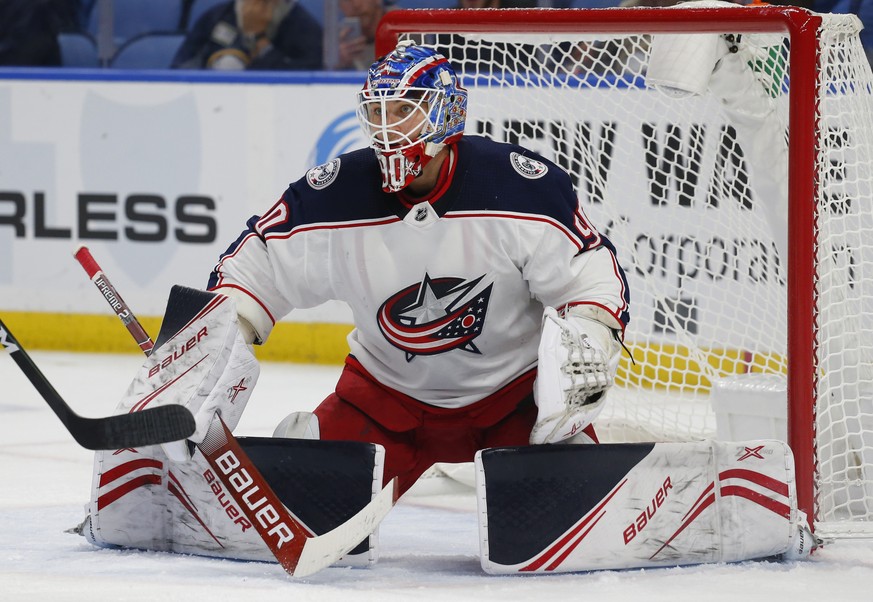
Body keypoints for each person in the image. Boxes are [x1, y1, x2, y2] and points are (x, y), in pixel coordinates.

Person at [207, 42, 630, 496]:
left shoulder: (518, 188)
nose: (387, 128)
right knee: (298, 494)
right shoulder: (334, 194)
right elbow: (257, 265)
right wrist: (211, 340)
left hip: (513, 404)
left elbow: (589, 272)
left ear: (447, 114)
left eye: (405, 110)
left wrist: (592, 330)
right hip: (382, 403)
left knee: (568, 504)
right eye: (378, 111)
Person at [171, 0, 323, 70]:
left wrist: (259, 39)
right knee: (229, 64)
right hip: (212, 109)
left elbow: (304, 83)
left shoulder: (305, 28)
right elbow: (180, 69)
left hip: (277, 115)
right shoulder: (216, 17)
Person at [335, 0, 395, 70]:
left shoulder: (405, 28)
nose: (356, 5)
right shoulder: (336, 43)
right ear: (339, 6)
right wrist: (337, 65)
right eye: (347, 0)